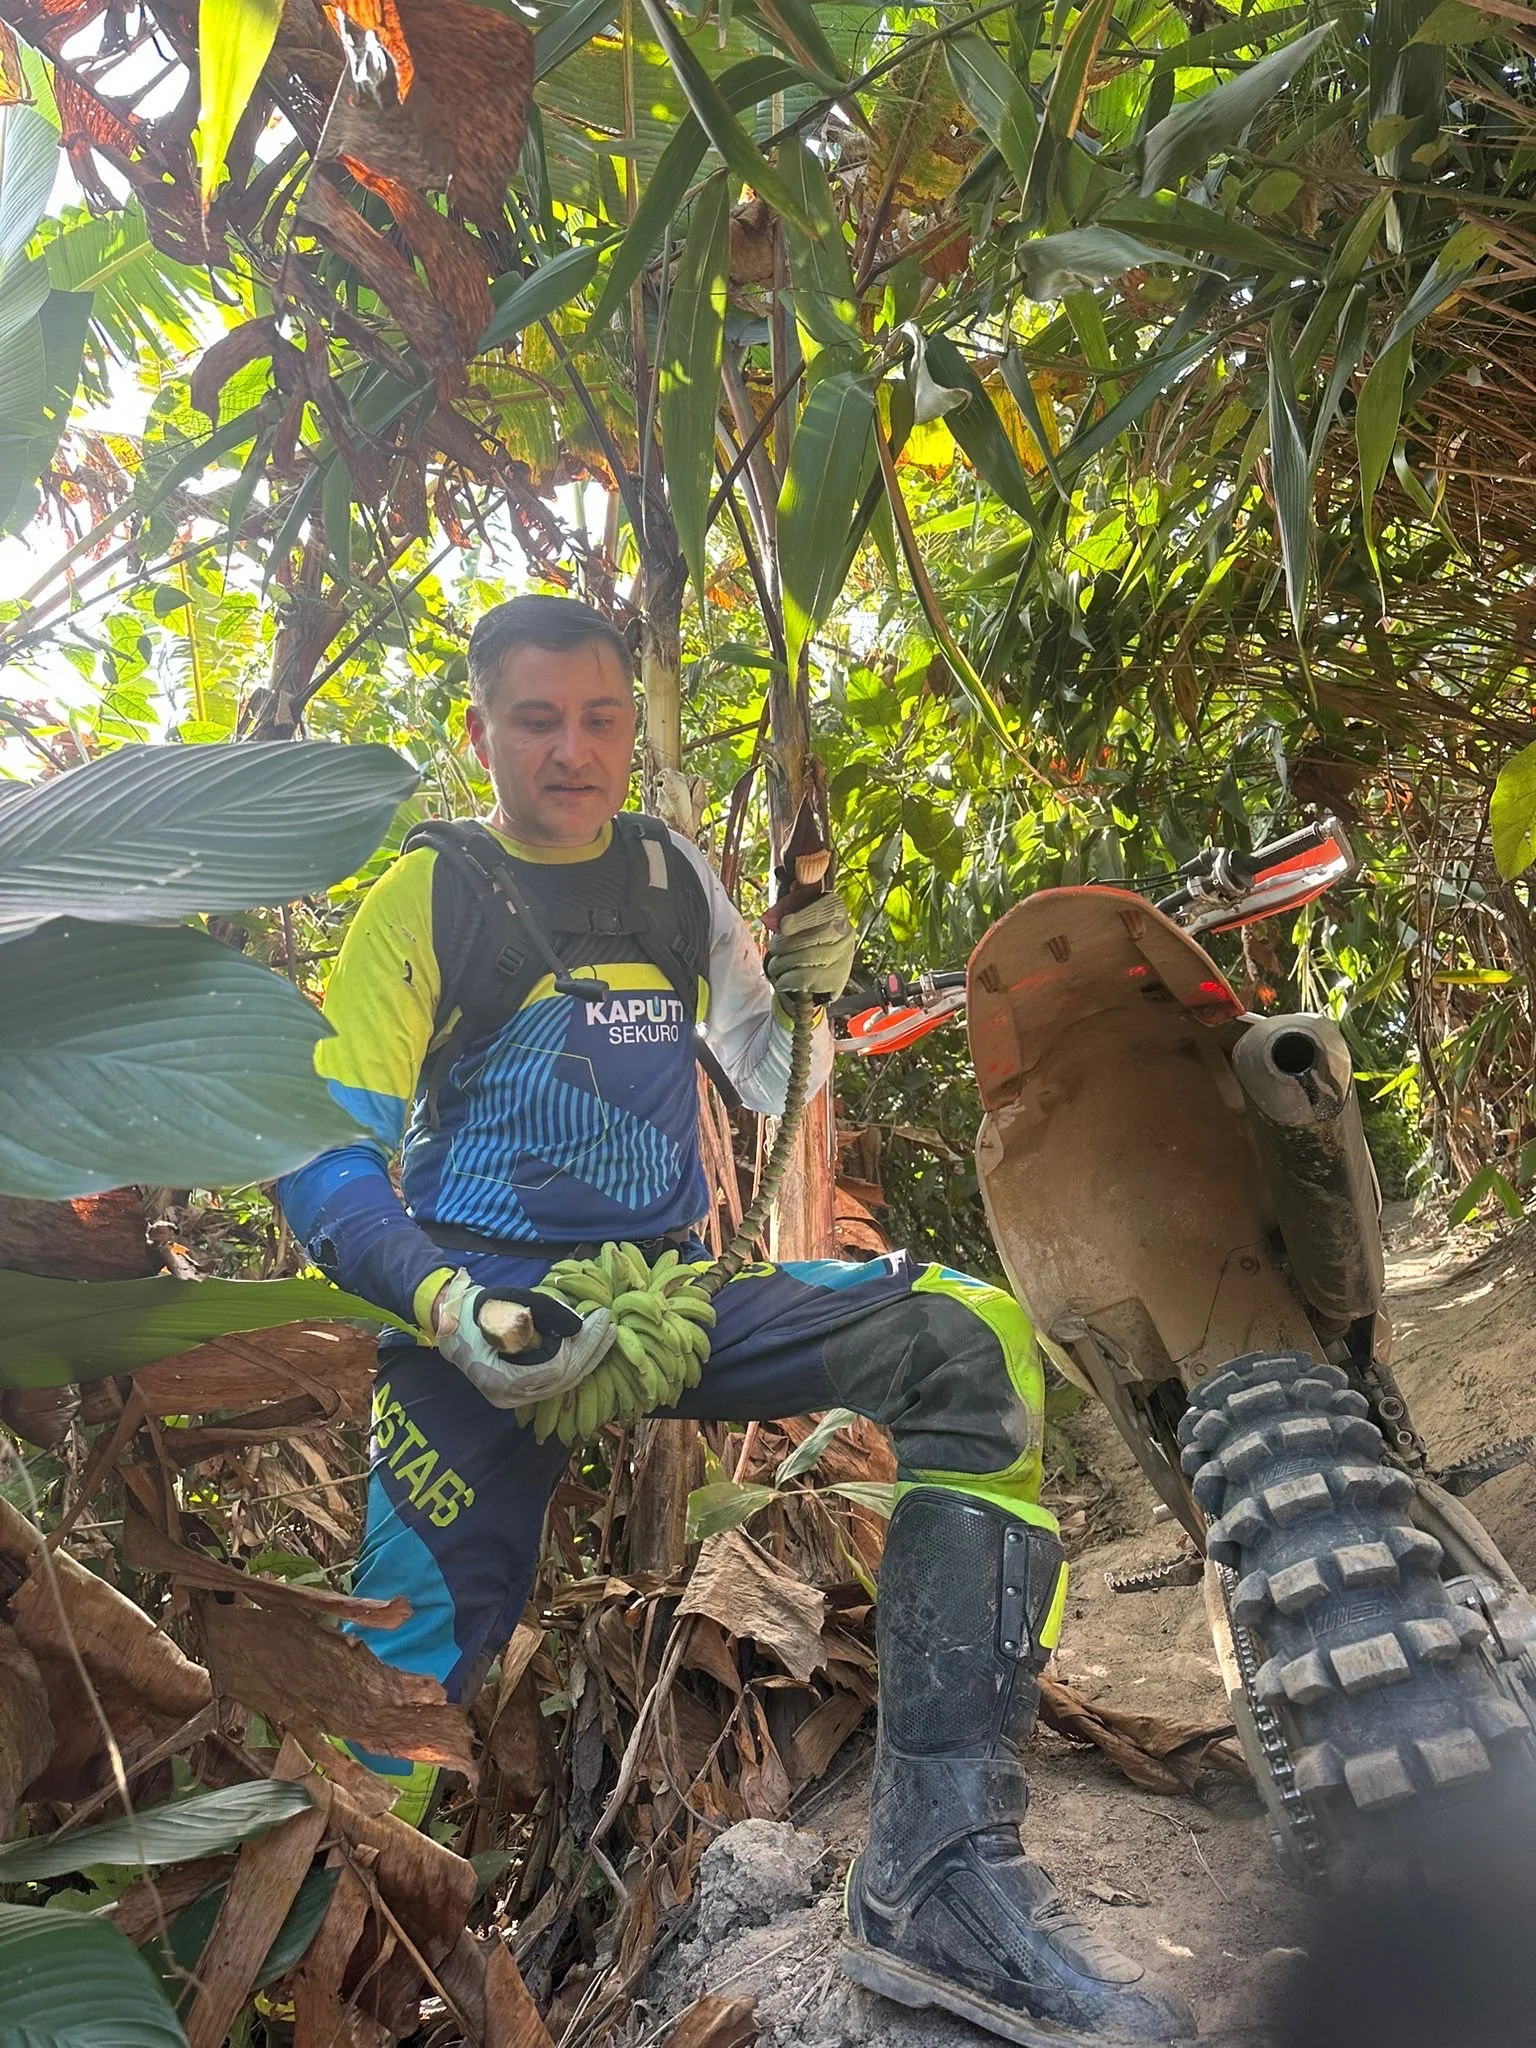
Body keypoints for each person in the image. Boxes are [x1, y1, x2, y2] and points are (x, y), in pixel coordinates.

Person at [277, 594, 1193, 2046]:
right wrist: (456, 1307)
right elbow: (318, 1157)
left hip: (659, 1304)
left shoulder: (667, 878)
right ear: (482, 730)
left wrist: (817, 991)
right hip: (482, 1330)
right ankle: (301, 1985)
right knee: (402, 1683)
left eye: (600, 719)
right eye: (536, 720)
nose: (572, 752)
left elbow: (770, 1071)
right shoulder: (431, 897)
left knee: (965, 1344)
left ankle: (940, 1879)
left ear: (632, 726)